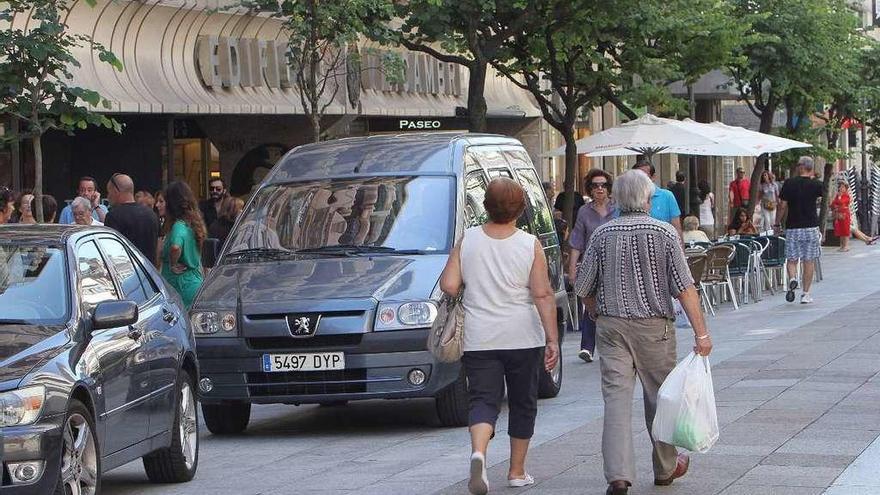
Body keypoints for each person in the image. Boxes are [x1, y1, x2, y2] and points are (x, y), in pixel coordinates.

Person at [575, 170, 711, 495]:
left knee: (616, 400)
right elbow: (684, 287)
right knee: (660, 397)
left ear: (618, 198)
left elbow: (583, 285)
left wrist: (594, 310)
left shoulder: (602, 235)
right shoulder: (664, 233)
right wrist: (701, 334)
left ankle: (618, 476)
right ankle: (665, 469)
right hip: (654, 327)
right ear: (648, 198)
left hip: (612, 327)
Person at [439, 177, 559, 495]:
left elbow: (449, 285)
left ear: (485, 207)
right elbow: (543, 294)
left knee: (482, 400)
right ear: (520, 209)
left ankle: (479, 453)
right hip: (523, 335)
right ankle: (517, 472)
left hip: (480, 336)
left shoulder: (468, 240)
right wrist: (552, 339)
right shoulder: (528, 243)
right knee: (522, 403)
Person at [568, 169, 617, 364]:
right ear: (590, 188)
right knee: (590, 303)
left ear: (609, 188)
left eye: (603, 185)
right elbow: (576, 242)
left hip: (614, 263)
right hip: (591, 265)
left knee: (612, 304)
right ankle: (587, 347)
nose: (599, 189)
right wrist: (572, 270)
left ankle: (612, 344)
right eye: (595, 185)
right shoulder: (584, 212)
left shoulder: (618, 209)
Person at [775, 156, 824, 304]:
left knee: (791, 259)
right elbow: (826, 198)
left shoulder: (789, 183)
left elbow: (782, 205)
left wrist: (777, 222)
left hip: (793, 227)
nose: (796, 167)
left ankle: (793, 278)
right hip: (810, 226)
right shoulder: (816, 184)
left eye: (797, 165)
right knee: (808, 261)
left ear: (802, 166)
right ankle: (806, 294)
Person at [161, 181, 206, 308]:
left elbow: (175, 246)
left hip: (180, 285)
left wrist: (173, 263)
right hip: (193, 281)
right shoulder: (192, 225)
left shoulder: (178, 226)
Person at [104, 174, 160, 265]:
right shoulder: (152, 214)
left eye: (109, 192)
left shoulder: (113, 217)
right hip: (149, 272)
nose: (108, 196)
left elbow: (111, 251)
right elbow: (158, 246)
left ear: (115, 191)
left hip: (126, 273)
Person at [632, 160, 682, 240]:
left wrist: (681, 251)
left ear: (653, 177)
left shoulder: (667, 196)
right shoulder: (628, 199)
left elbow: (677, 229)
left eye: (643, 176)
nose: (639, 180)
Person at [831, 181, 852, 252]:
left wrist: (839, 200)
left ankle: (846, 246)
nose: (841, 188)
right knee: (840, 230)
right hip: (839, 215)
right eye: (840, 187)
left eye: (843, 187)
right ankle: (842, 245)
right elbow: (833, 203)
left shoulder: (846, 195)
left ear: (846, 188)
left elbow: (844, 203)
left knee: (845, 230)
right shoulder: (837, 195)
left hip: (844, 214)